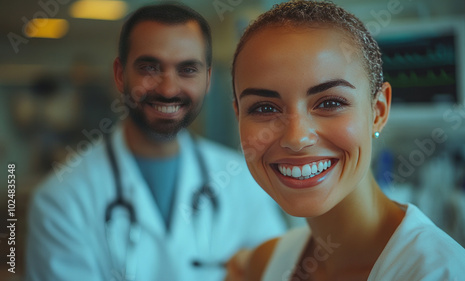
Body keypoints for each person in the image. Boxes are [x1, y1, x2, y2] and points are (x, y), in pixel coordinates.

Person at [229, 1, 465, 280]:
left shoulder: (443, 274)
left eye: (329, 102)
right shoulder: (264, 265)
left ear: (378, 111)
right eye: (264, 108)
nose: (296, 138)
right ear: (238, 116)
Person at [25, 3, 286, 281]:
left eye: (187, 69)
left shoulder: (241, 179)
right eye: (150, 68)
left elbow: (277, 271)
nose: (169, 88)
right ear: (120, 75)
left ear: (208, 80)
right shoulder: (62, 201)